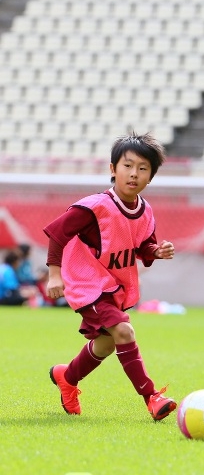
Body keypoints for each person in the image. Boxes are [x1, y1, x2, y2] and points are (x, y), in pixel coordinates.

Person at [43, 132, 177, 421]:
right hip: (88, 285)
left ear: (151, 176)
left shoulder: (145, 211)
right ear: (112, 169)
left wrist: (157, 251)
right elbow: (57, 233)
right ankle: (152, 397)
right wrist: (54, 275)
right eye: (127, 166)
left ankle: (67, 376)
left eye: (143, 169)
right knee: (124, 332)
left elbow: (144, 247)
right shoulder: (95, 206)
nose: (134, 174)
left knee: (106, 343)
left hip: (114, 286)